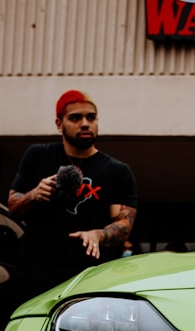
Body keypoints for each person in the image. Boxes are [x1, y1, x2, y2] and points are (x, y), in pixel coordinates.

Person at [8, 89, 138, 294]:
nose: (85, 123)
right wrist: (33, 195)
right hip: (34, 276)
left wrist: (98, 235)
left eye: (91, 117)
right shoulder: (38, 155)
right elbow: (12, 206)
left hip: (89, 280)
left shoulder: (117, 171)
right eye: (75, 118)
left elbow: (123, 224)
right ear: (59, 124)